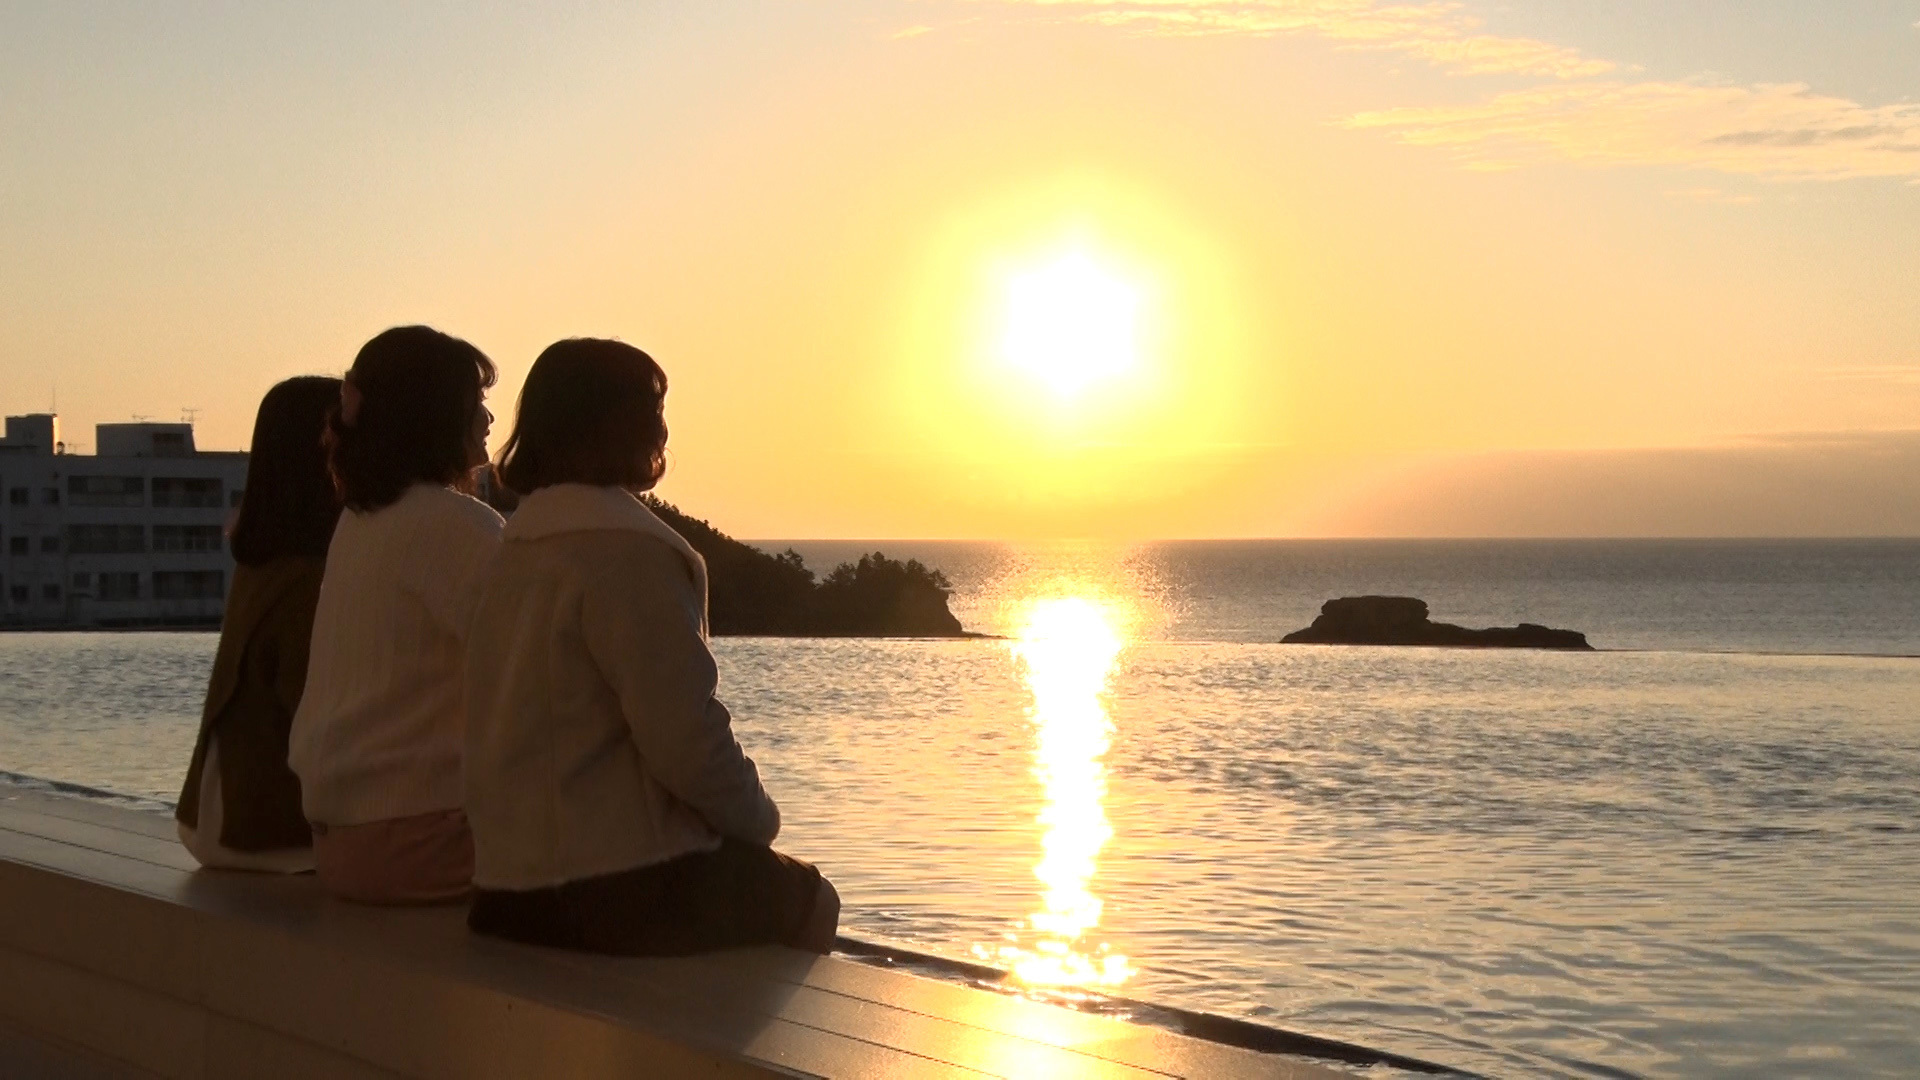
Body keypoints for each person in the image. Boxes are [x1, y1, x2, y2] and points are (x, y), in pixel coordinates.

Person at [464, 338, 838, 955]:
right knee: (811, 897)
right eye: (654, 408)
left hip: (503, 890)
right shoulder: (628, 552)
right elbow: (685, 738)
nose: (663, 426)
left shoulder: (515, 550)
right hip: (608, 890)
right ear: (622, 424)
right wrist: (759, 822)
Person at [288, 325, 504, 903]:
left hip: (341, 843)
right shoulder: (459, 526)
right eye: (476, 404)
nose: (488, 420)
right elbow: (535, 670)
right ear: (436, 415)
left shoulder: (360, 522)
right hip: (419, 844)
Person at [176, 376, 343, 871]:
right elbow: (316, 719)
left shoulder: (260, 565)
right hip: (261, 831)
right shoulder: (310, 574)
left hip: (208, 817)